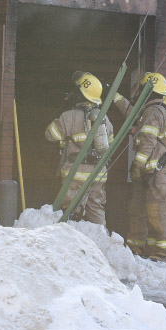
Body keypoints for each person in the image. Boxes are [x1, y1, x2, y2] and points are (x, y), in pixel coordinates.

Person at [112, 71, 166, 262]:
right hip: (152, 172)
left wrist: (136, 167)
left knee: (158, 211)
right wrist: (115, 96)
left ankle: (165, 253)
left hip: (157, 171)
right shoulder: (154, 111)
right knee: (140, 209)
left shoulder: (154, 111)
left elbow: (147, 142)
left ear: (149, 91)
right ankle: (140, 247)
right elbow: (132, 114)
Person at [44, 71, 112, 225]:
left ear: (80, 94)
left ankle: (72, 240)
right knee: (96, 208)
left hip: (75, 173)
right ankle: (101, 238)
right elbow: (110, 145)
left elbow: (50, 135)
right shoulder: (104, 119)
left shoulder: (69, 116)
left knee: (71, 210)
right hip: (98, 174)